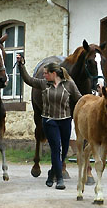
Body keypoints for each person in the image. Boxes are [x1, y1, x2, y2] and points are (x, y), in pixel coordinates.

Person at [16, 54, 81, 190]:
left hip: (65, 121)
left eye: (46, 73)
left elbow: (79, 99)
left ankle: (51, 174)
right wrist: (21, 65)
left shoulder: (69, 84)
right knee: (56, 149)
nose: (43, 75)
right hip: (50, 121)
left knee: (63, 152)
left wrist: (95, 98)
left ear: (53, 73)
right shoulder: (43, 84)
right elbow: (28, 80)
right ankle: (60, 179)